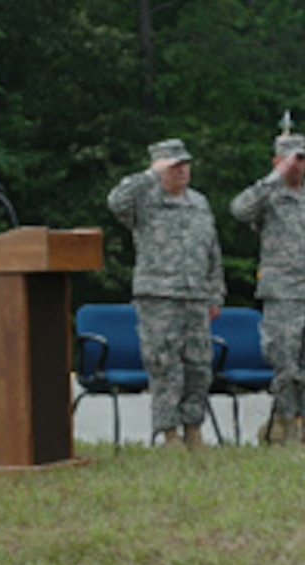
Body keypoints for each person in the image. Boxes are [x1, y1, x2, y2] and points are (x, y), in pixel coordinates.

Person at [106, 138, 226, 450]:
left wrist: (216, 294)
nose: (182, 171)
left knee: (198, 366)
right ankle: (169, 433)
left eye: (185, 164)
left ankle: (193, 429)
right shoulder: (143, 200)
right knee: (164, 365)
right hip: (159, 297)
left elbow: (212, 251)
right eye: (174, 166)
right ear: (159, 168)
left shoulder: (199, 203)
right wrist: (149, 175)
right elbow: (115, 201)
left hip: (196, 297)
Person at [230, 133, 305, 445]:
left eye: (301, 158)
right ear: (277, 161)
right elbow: (239, 210)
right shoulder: (268, 194)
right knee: (285, 362)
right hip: (283, 293)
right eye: (290, 159)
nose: (296, 165)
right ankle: (286, 425)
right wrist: (273, 178)